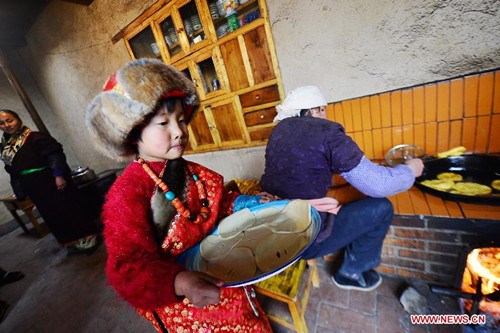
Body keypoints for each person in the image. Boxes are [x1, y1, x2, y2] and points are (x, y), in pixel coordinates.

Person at [86, 59, 274, 332]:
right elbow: (127, 267)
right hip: (185, 301)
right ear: (133, 134)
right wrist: (180, 282)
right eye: (163, 123)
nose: (179, 132)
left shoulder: (190, 171)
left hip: (219, 271)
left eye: (182, 120)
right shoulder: (126, 194)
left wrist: (245, 202)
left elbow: (214, 205)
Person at [261, 85, 424, 291]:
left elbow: (302, 170)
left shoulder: (278, 132)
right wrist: (410, 170)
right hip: (302, 240)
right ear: (314, 110)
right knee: (382, 208)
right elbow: (379, 185)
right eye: (324, 109)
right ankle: (350, 272)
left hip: (272, 229)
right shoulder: (327, 132)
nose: (326, 115)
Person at [0, 110, 99, 255]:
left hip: (51, 180)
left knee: (69, 208)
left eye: (10, 120)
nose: (7, 125)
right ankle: (69, 241)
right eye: (2, 123)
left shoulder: (35, 137)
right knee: (51, 214)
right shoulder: (5, 148)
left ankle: (88, 237)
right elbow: (12, 170)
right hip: (34, 187)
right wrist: (20, 191)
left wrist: (58, 175)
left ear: (18, 119)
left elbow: (55, 155)